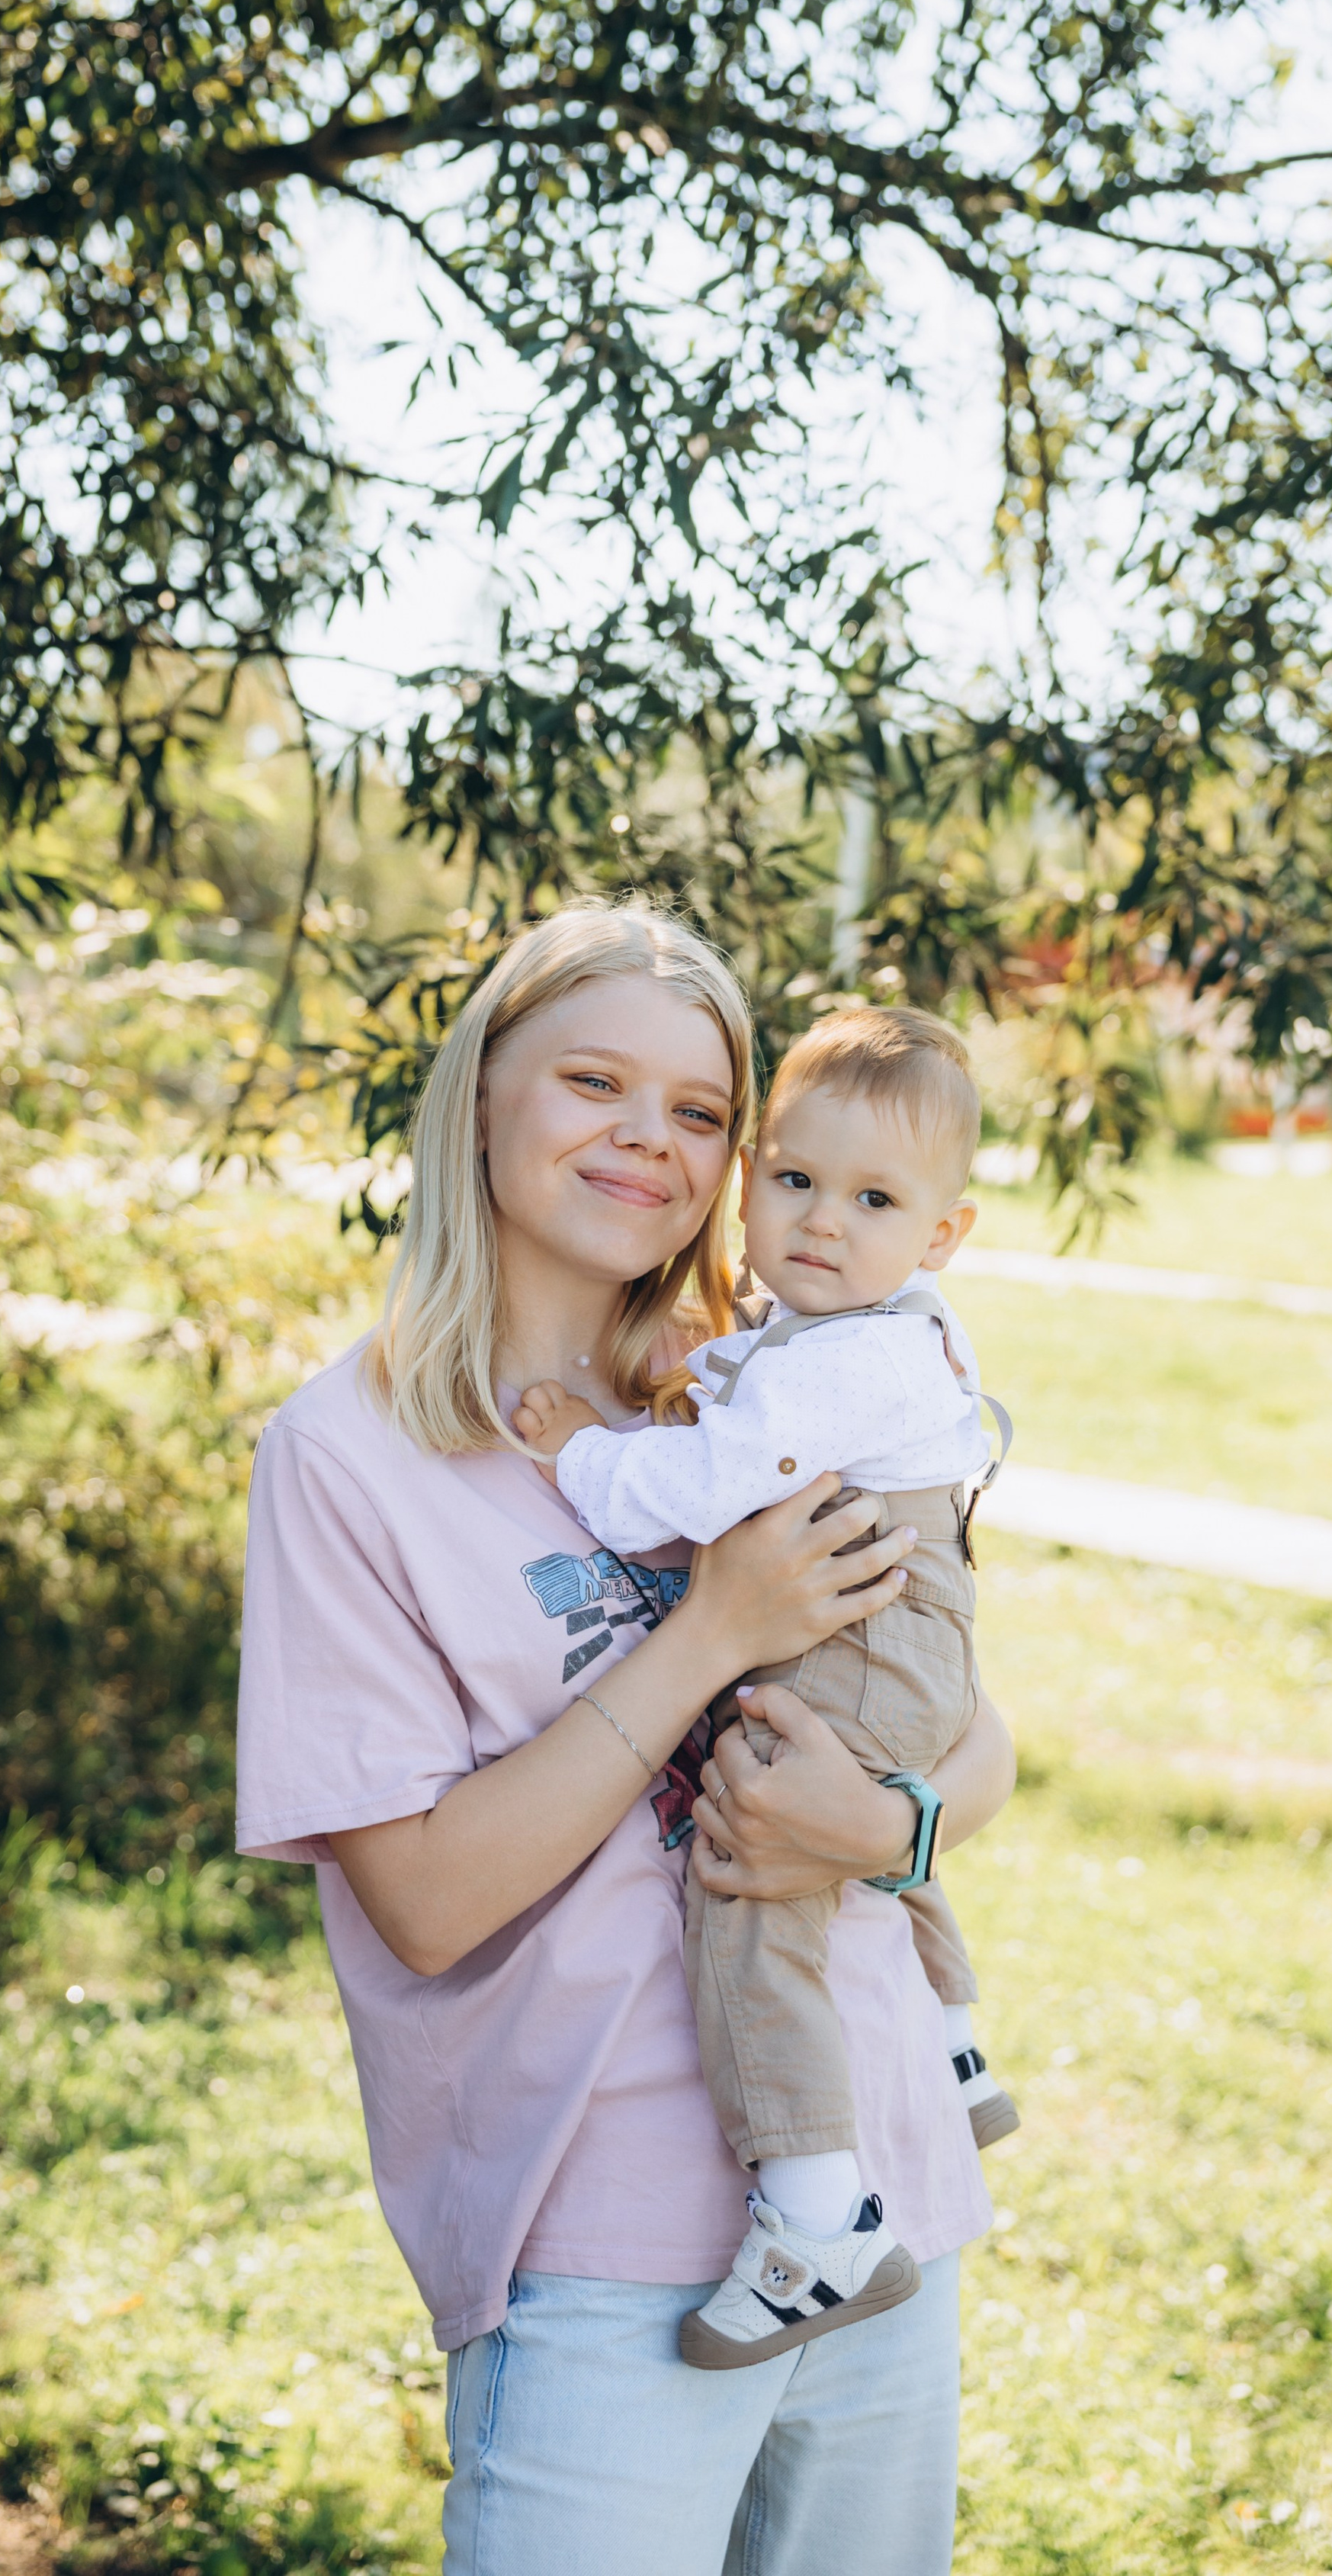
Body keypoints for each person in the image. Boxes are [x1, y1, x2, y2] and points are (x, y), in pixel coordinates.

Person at [236, 901, 1016, 2576]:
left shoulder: (758, 1380)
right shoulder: (345, 1457)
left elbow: (973, 1737)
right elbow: (427, 1901)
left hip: (876, 2183)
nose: (646, 1140)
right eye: (594, 1080)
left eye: (700, 1110)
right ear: (481, 1098)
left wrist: (891, 1837)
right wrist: (710, 1636)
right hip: (605, 2245)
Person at [512, 1004, 1020, 2374]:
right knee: (847, 1813)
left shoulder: (843, 1355)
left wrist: (580, 1457)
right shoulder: (868, 1328)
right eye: (795, 1182)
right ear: (751, 1184)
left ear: (942, 1235)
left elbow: (702, 1487)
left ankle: (818, 2215)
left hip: (864, 1639)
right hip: (907, 1634)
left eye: (873, 1199)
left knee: (750, 1876)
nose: (821, 1222)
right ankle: (956, 2043)